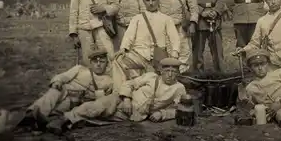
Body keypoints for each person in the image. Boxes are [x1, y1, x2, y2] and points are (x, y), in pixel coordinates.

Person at [45, 58, 187, 135]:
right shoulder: (150, 77)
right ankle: (61, 120)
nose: (169, 74)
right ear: (161, 71)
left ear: (178, 72)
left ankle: (66, 122)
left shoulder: (179, 88)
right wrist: (126, 99)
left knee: (98, 117)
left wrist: (162, 113)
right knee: (97, 107)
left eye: (173, 71)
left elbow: (180, 109)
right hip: (120, 100)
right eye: (166, 70)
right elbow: (128, 84)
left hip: (134, 114)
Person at [18, 47, 112, 132]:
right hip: (63, 92)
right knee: (54, 92)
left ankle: (39, 123)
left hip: (73, 103)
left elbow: (101, 101)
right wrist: (57, 82)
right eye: (95, 62)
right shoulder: (80, 69)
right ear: (91, 63)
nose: (98, 65)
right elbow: (63, 76)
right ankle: (30, 116)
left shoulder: (108, 81)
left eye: (102, 62)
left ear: (106, 63)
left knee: (56, 113)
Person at [111, 0, 180, 92]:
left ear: (158, 1)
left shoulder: (166, 19)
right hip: (139, 55)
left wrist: (174, 53)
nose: (151, 3)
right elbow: (129, 35)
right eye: (148, 0)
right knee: (118, 60)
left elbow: (175, 38)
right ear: (144, 2)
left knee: (160, 83)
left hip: (158, 58)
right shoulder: (137, 18)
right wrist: (124, 48)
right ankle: (119, 91)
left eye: (153, 0)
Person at [154, 0, 199, 74]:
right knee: (167, 52)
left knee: (183, 52)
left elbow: (193, 6)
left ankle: (183, 78)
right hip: (165, 26)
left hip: (181, 25)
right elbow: (155, 7)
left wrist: (193, 23)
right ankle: (168, 77)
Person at [69, 0, 114, 66]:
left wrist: (104, 8)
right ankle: (91, 82)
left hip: (101, 27)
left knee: (110, 56)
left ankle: (110, 81)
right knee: (87, 60)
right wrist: (74, 35)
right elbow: (73, 12)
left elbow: (115, 6)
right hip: (84, 29)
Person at [186, 0, 227, 73]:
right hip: (200, 22)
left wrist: (216, 11)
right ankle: (199, 76)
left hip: (214, 21)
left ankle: (220, 75)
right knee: (198, 52)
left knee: (218, 51)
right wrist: (202, 12)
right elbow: (187, 3)